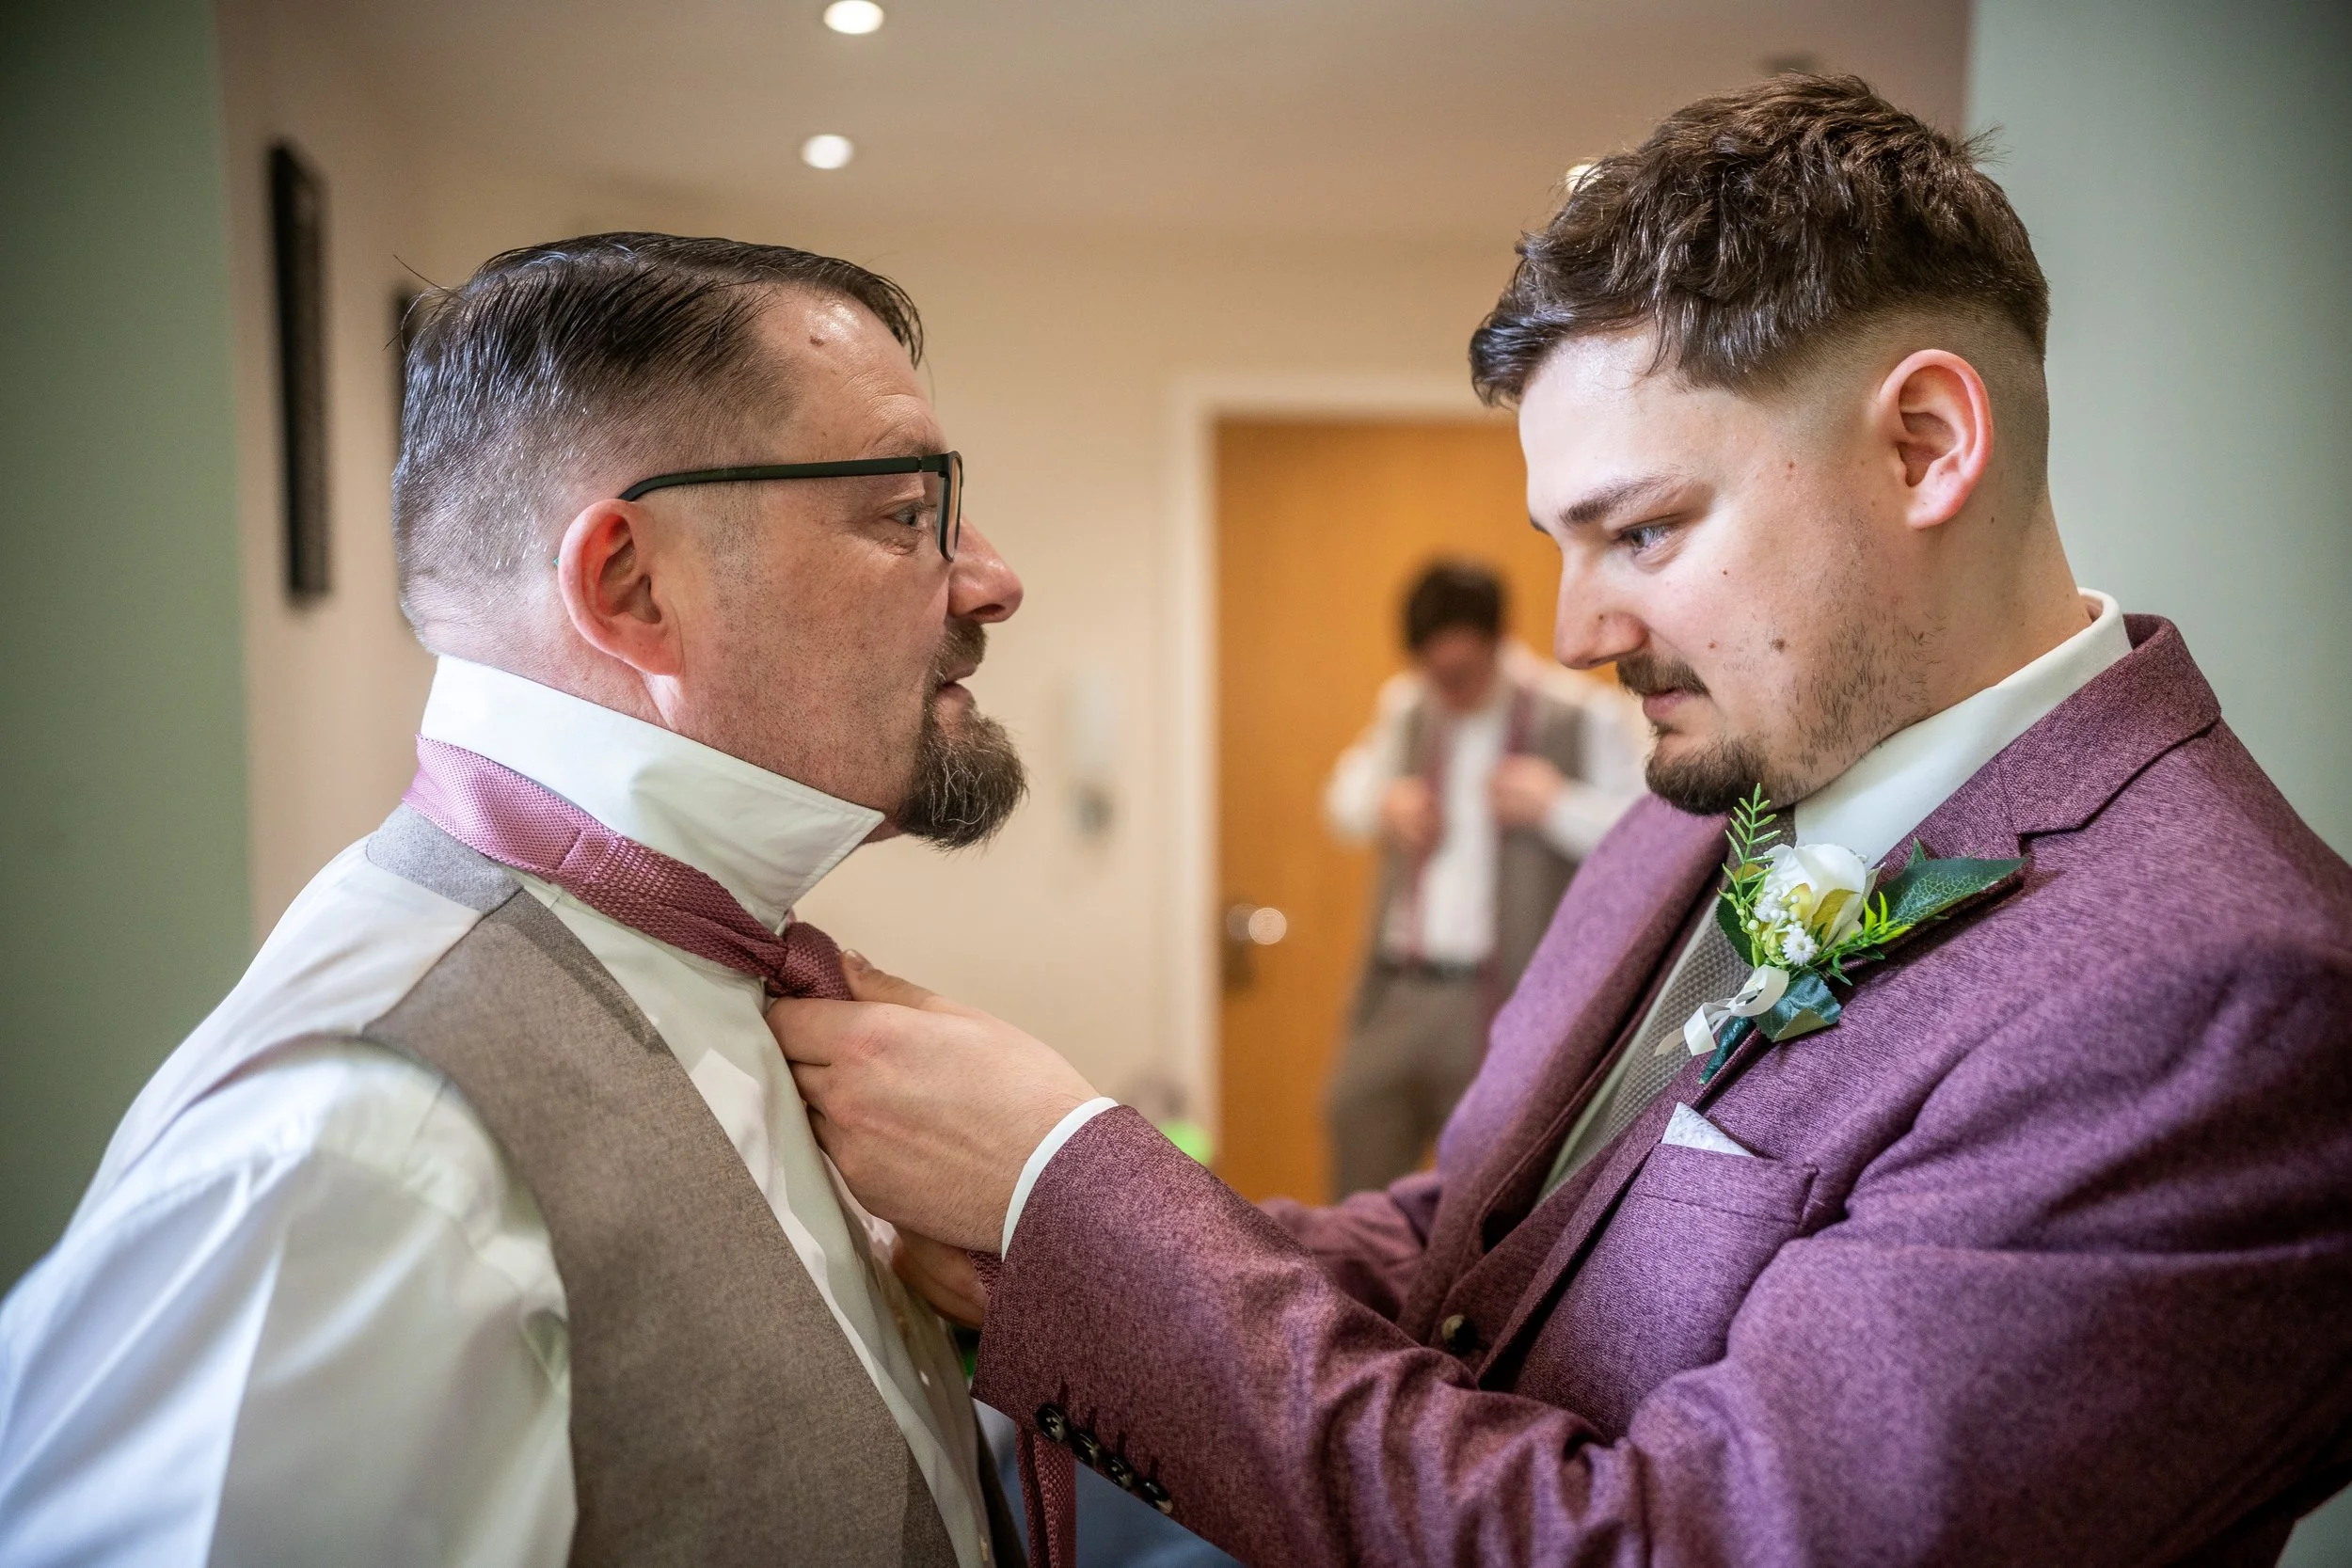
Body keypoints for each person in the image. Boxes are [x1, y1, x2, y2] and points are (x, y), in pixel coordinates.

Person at [772, 77, 2352, 1565]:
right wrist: (1053, 1254)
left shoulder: (2227, 1001)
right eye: (1559, 543)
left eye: (1646, 530)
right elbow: (1464, 1255)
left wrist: (1076, 1179)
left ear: (1927, 445)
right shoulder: (1719, 784)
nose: (1584, 630)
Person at [0, 234, 1032, 1567]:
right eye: (906, 513)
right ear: (630, 583)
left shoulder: (734, 980)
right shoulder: (364, 1159)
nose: (991, 575)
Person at [1323, 560, 1641, 1195]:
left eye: (1461, 672)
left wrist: (1556, 805)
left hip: (1510, 1001)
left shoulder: (1579, 715)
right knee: (1351, 1166)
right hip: (1398, 992)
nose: (1448, 687)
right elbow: (1340, 803)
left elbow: (1649, 840)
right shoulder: (1409, 707)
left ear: (1497, 643)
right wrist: (1385, 801)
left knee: (1482, 1197)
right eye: (1433, 672)